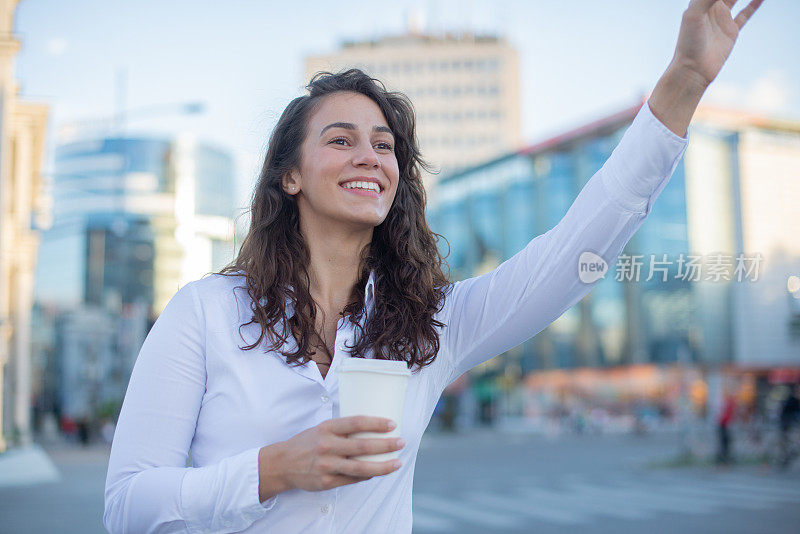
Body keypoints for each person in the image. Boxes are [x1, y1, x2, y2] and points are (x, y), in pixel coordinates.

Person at [103, 1, 764, 532]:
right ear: (291, 177)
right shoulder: (205, 312)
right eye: (341, 140)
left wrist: (682, 84)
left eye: (383, 145)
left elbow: (573, 255)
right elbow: (127, 503)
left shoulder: (433, 322)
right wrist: (272, 470)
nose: (369, 155)